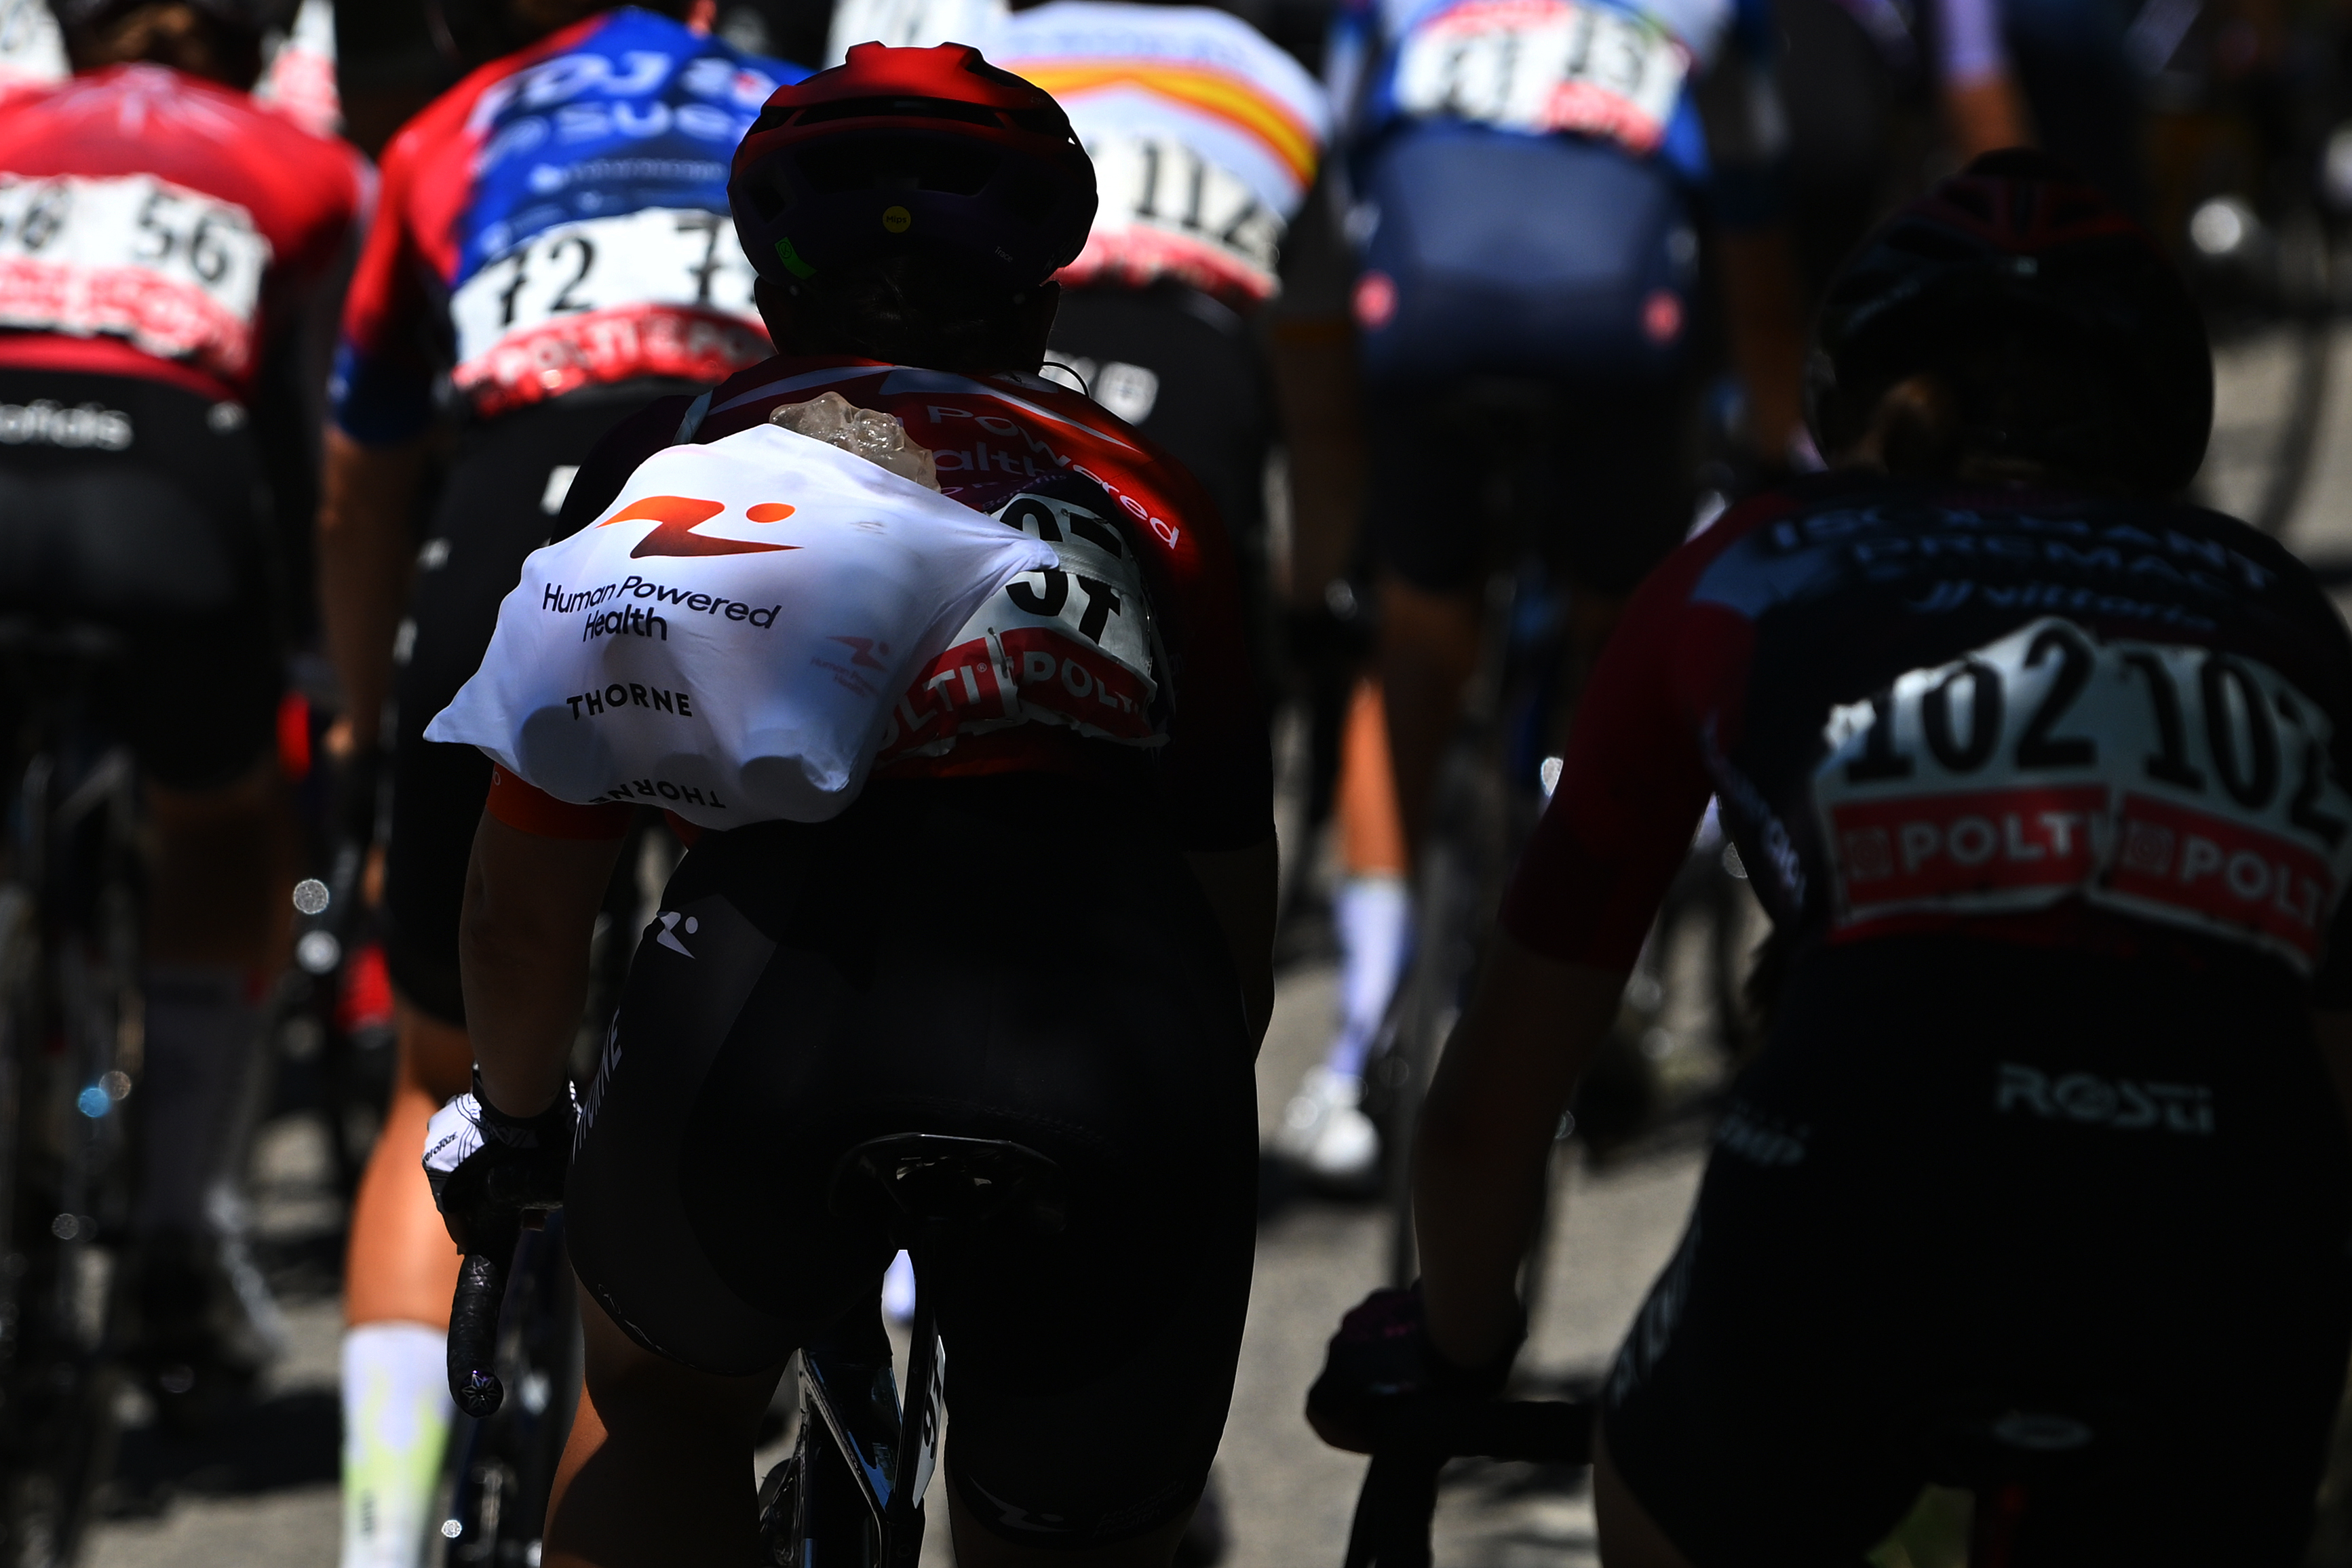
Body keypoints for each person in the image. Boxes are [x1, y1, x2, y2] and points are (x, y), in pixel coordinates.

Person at [1309, 149, 2352, 1565]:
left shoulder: (1755, 562)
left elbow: (1494, 1099)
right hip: (2215, 1244)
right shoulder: (2274, 604)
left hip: (1852, 1212)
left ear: (1861, 405)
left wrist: (1456, 1344)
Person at [424, 43, 1275, 1568]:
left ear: (766, 293)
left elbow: (524, 897)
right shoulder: (1158, 497)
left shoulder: (667, 462)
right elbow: (1235, 927)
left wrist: (524, 1117)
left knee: (667, 1416)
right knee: (1073, 1528)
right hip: (1113, 1023)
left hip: (760, 1013)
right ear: (1041, 298)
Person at [316, 4, 800, 1563]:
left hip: (501, 531)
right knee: (723, 1065)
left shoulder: (450, 131)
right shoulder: (785, 100)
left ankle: (383, 1541)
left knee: (434, 1075)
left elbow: (361, 475)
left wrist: (363, 705)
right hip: (727, 535)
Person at [0, 0, 366, 1419]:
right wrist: (319, 667)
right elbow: (321, 440)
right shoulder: (306, 158)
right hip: (171, 491)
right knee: (224, 832)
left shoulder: (16, 124)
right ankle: (171, 1230)